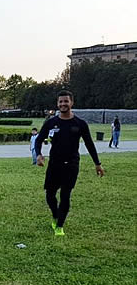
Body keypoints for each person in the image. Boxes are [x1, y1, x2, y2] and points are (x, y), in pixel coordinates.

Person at [35, 90, 105, 237]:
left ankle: (60, 226)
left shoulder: (80, 124)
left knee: (65, 195)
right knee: (50, 195)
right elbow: (39, 139)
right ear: (57, 104)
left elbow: (89, 144)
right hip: (54, 164)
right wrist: (39, 155)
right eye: (60, 102)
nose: (63, 104)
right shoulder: (51, 123)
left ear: (72, 103)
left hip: (71, 164)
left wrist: (97, 163)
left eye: (66, 101)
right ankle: (55, 215)